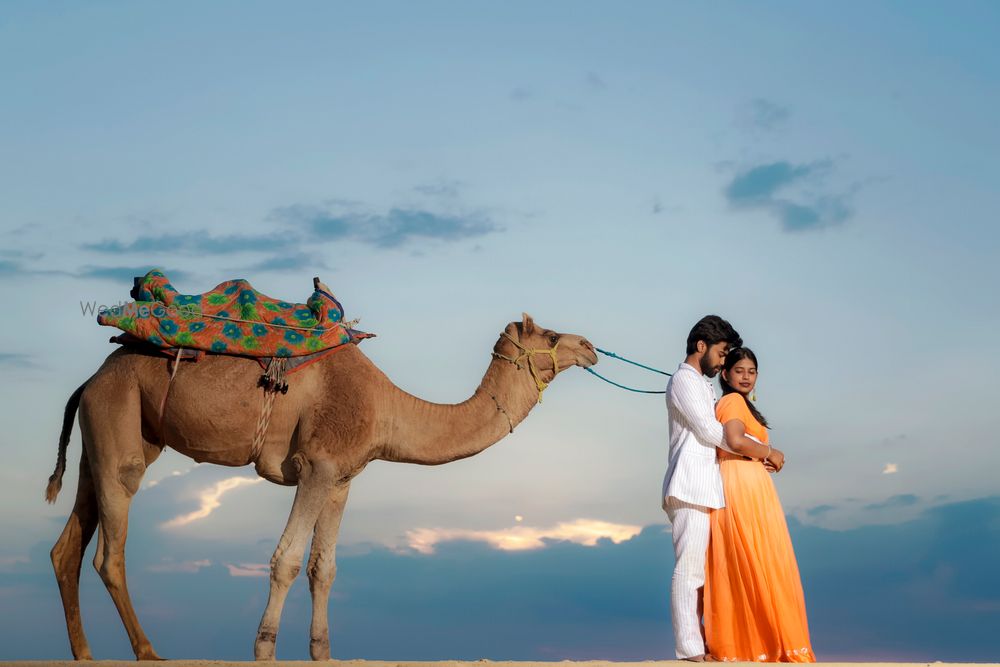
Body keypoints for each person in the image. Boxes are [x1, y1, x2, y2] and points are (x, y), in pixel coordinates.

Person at [703, 348, 814, 662]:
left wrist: (758, 455)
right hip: (741, 489)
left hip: (747, 484)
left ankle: (754, 642)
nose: (746, 376)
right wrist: (768, 451)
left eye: (751, 371)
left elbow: (739, 445)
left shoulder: (741, 405)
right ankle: (761, 644)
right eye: (739, 370)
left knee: (753, 563)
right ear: (725, 374)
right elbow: (735, 440)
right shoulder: (733, 401)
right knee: (755, 561)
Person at [663, 315, 749, 661]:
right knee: (689, 569)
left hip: (706, 488)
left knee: (704, 573)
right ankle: (689, 650)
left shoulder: (701, 383)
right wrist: (755, 449)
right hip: (688, 486)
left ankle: (705, 644)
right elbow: (710, 431)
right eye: (722, 351)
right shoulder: (683, 381)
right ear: (701, 346)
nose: (725, 359)